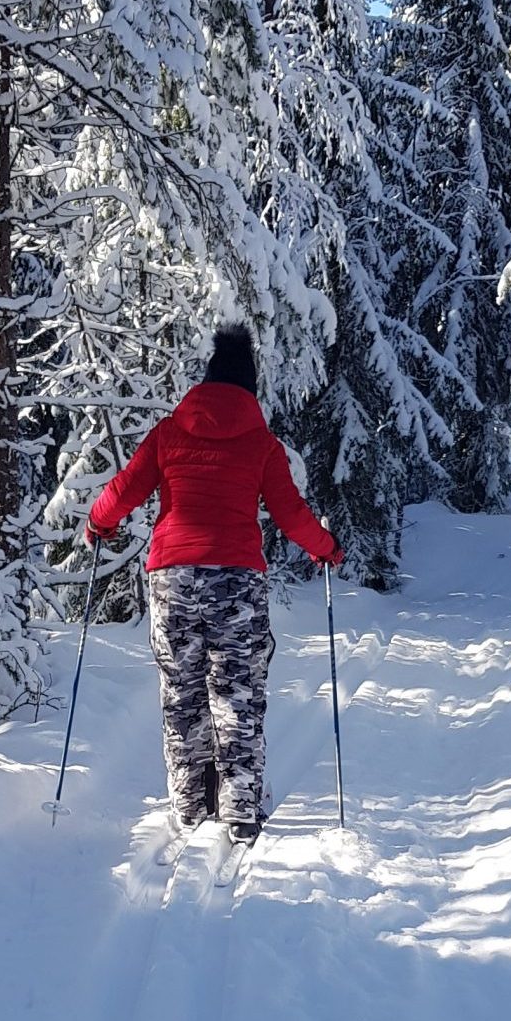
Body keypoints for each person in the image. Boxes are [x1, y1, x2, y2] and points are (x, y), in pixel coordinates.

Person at [86, 323, 343, 845]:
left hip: (172, 579)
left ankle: (189, 803)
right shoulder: (261, 445)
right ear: (250, 386)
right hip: (236, 582)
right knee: (237, 692)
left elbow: (121, 491)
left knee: (182, 692)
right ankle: (243, 809)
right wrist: (326, 548)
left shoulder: (168, 434)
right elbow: (291, 514)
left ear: (204, 381)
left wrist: (98, 523)